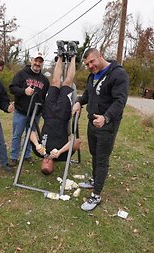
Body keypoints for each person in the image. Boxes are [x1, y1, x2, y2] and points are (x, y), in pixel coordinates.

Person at [72, 48, 129, 211]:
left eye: (92, 61)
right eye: (87, 64)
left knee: (102, 158)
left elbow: (120, 101)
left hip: (107, 124)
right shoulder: (92, 76)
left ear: (100, 56)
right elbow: (88, 95)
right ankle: (95, 181)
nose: (90, 66)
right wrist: (78, 101)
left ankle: (96, 196)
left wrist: (106, 118)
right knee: (94, 153)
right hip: (92, 122)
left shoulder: (118, 75)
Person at [29, 41, 81, 175]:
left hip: (48, 113)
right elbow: (77, 142)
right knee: (67, 82)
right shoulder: (61, 157)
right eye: (49, 164)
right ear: (53, 165)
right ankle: (74, 55)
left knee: (55, 82)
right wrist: (60, 151)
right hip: (63, 115)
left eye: (44, 163)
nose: (46, 161)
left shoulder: (39, 153)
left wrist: (37, 144)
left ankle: (60, 55)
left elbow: (30, 133)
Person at [8, 51, 50, 167]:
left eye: (40, 62)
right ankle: (14, 157)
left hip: (35, 114)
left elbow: (46, 97)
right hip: (21, 112)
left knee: (31, 135)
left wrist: (43, 110)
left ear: (42, 64)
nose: (37, 63)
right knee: (17, 134)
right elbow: (12, 88)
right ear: (31, 60)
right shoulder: (21, 74)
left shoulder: (45, 80)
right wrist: (24, 91)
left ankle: (27, 155)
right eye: (36, 60)